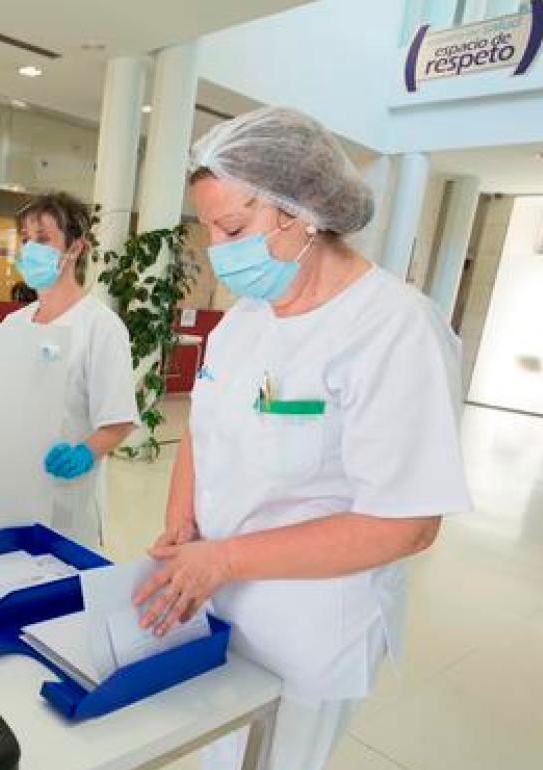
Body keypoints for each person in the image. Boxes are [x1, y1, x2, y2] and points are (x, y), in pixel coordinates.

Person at [131, 106, 472, 770]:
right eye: (208, 229)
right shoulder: (243, 322)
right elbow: (204, 431)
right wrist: (183, 525)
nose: (218, 250)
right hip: (214, 598)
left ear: (303, 210)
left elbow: (406, 526)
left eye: (233, 227)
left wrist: (224, 559)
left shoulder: (395, 329)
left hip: (308, 623)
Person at [4, 192, 139, 547]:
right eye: (26, 240)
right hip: (10, 485)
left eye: (43, 239)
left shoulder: (100, 326)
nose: (30, 249)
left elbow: (119, 419)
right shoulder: (13, 323)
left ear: (75, 249)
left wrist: (83, 454)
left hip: (68, 496)